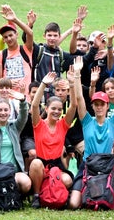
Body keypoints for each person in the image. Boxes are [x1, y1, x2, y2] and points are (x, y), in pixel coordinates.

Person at [67, 59, 114, 210]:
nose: (99, 107)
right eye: (96, 104)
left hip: (106, 167)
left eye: (102, 104)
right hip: (88, 166)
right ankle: (89, 191)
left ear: (107, 105)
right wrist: (77, 74)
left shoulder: (113, 122)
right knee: (73, 204)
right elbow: (79, 98)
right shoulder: (87, 121)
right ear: (92, 106)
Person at [28, 71, 77, 208]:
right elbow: (34, 105)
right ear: (47, 108)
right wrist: (43, 84)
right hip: (41, 165)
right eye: (53, 109)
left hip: (56, 165)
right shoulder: (38, 124)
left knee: (67, 181)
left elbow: (73, 106)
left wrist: (71, 84)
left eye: (59, 109)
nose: (57, 112)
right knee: (36, 163)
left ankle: (55, 193)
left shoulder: (63, 125)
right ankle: (37, 196)